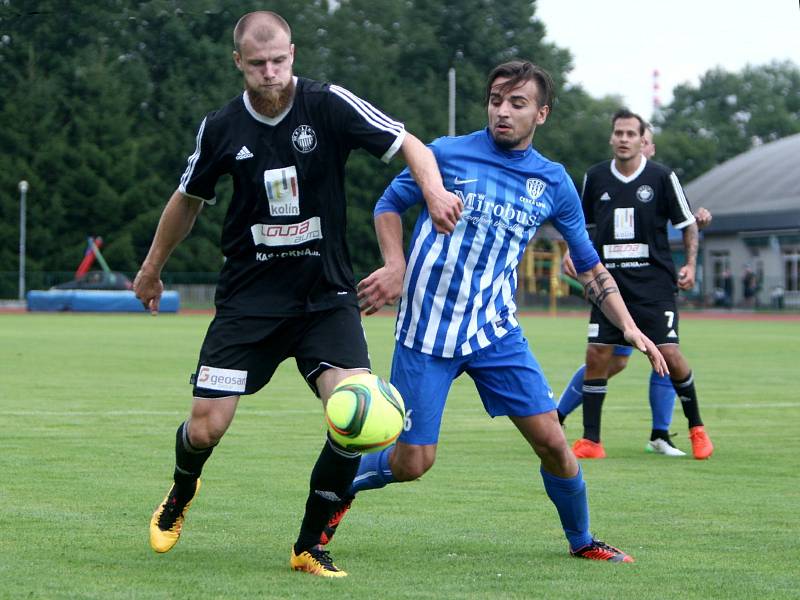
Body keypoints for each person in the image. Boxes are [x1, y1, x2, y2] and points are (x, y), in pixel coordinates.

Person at [133, 11, 461, 579]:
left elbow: (410, 143)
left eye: (279, 60)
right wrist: (151, 269)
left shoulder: (327, 104)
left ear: (293, 54)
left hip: (325, 298)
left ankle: (310, 544)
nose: (270, 72)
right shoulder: (221, 128)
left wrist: (432, 192)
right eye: (257, 63)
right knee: (206, 426)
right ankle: (183, 490)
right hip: (248, 303)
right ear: (239, 62)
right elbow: (187, 199)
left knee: (356, 416)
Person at [318, 61, 669, 564]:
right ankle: (333, 487)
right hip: (426, 331)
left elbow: (589, 265)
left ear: (541, 114)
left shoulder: (553, 182)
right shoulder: (444, 153)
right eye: (496, 100)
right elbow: (388, 205)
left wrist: (630, 327)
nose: (503, 112)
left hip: (494, 330)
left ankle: (583, 541)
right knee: (413, 462)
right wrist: (394, 265)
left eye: (517, 103)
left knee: (553, 441)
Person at [556, 124, 712, 457]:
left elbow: (686, 221)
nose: (626, 140)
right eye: (619, 133)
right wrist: (572, 249)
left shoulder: (661, 177)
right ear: (611, 137)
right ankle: (580, 431)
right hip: (609, 285)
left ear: (646, 144)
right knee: (603, 358)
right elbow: (580, 223)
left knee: (665, 353)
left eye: (635, 135)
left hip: (652, 286)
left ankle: (680, 430)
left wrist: (691, 261)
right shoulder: (596, 177)